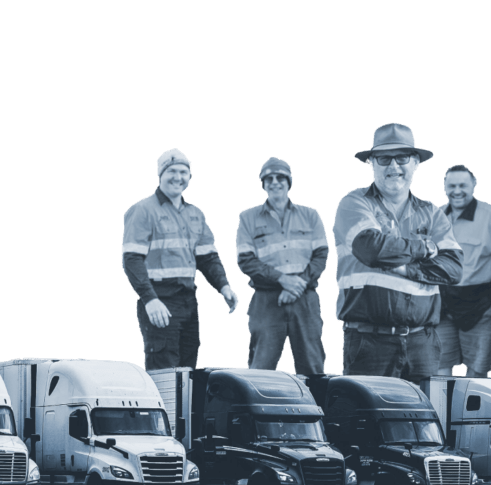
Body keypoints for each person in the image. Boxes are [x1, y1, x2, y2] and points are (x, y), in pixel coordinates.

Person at [332, 122, 464, 383]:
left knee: (425, 422)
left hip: (422, 342)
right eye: (384, 158)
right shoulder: (354, 202)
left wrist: (405, 267)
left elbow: (454, 268)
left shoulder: (433, 213)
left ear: (415, 162)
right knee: (366, 422)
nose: (394, 166)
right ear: (372, 164)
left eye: (402, 157)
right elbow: (370, 249)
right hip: (369, 342)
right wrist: (424, 247)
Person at [121, 148, 239, 370]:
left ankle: (184, 407)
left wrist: (224, 286)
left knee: (188, 369)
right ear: (160, 175)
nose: (178, 177)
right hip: (160, 298)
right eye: (172, 171)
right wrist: (150, 300)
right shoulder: (143, 210)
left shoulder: (195, 213)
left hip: (188, 300)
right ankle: (163, 407)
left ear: (190, 177)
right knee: (164, 366)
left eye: (184, 172)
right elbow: (131, 259)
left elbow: (208, 258)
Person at [235, 157, 329, 374]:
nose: (275, 182)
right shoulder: (247, 217)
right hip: (267, 301)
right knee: (261, 368)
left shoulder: (311, 215)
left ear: (289, 182)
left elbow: (321, 256)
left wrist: (298, 285)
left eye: (280, 178)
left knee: (312, 365)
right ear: (263, 184)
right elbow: (246, 261)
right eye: (269, 178)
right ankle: (257, 408)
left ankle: (317, 407)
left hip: (305, 299)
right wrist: (283, 280)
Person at [434, 165, 491, 378]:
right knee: (439, 369)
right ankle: (443, 412)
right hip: (442, 306)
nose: (457, 191)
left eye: (463, 185)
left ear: (474, 185)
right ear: (445, 188)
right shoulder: (434, 217)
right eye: (452, 186)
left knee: (477, 373)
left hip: (482, 305)